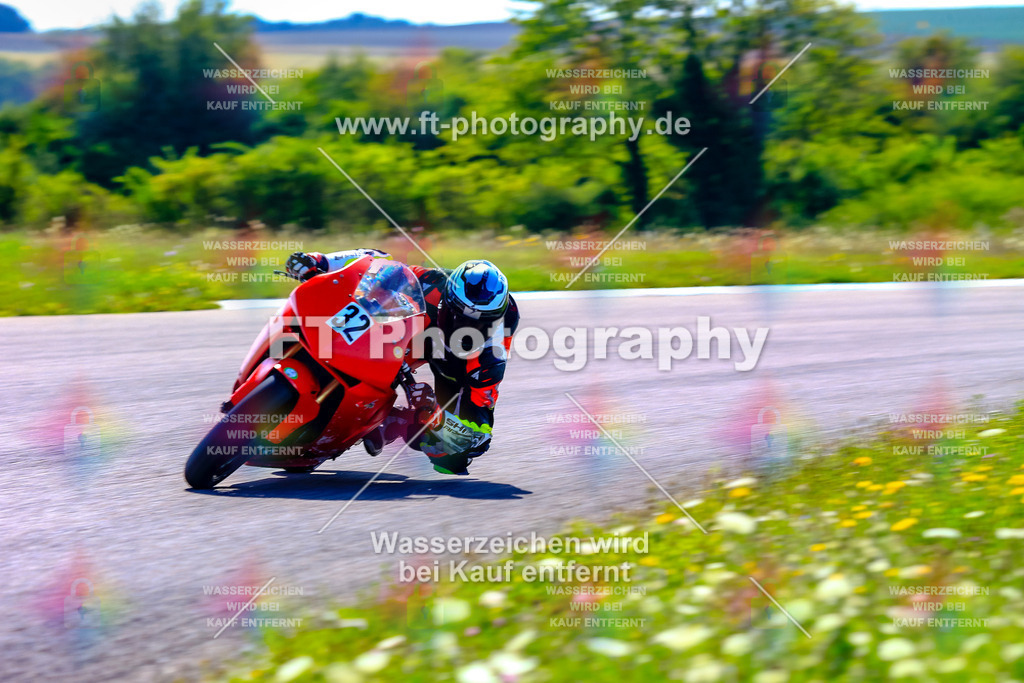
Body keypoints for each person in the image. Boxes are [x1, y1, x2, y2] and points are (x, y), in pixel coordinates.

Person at [285, 248, 519, 475]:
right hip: (420, 332)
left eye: (481, 324)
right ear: (447, 301)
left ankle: (395, 421)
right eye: (462, 318)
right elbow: (376, 260)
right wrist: (322, 261)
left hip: (455, 366)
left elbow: (481, 434)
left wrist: (434, 415)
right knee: (372, 314)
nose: (469, 330)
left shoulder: (491, 358)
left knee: (452, 458)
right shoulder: (433, 283)